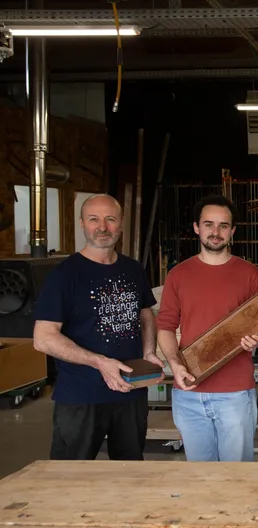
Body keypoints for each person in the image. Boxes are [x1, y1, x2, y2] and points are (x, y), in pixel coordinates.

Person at [33, 194, 164, 460]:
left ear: (121, 223)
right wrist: (100, 362)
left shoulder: (133, 269)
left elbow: (146, 313)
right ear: (82, 224)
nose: (102, 227)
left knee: (129, 474)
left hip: (130, 391)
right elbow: (43, 338)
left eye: (110, 219)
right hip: (81, 396)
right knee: (70, 478)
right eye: (94, 219)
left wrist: (149, 353)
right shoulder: (64, 275)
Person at [156, 195, 258, 463]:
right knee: (199, 480)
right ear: (196, 227)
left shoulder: (249, 274)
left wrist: (256, 339)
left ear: (232, 231)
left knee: (237, 477)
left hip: (235, 394)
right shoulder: (178, 275)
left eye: (223, 226)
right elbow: (165, 326)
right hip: (189, 391)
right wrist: (175, 364)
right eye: (208, 224)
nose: (215, 232)